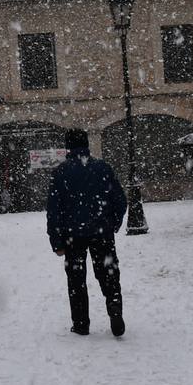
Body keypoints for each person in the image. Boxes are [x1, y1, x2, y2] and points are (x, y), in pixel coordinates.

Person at [46, 128, 128, 337]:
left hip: (73, 234)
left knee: (76, 279)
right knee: (108, 271)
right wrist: (113, 223)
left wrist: (57, 241)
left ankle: (81, 323)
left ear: (68, 147)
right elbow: (120, 199)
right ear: (87, 145)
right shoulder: (102, 168)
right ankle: (114, 303)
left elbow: (53, 210)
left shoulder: (60, 172)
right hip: (102, 231)